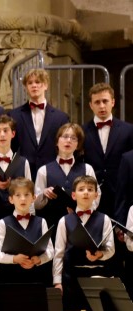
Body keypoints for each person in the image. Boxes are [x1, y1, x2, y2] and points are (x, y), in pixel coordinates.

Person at [52, 175, 114, 311]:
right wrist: (57, 280)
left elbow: (111, 249)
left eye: (90, 189)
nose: (86, 192)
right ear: (73, 195)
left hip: (95, 276)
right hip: (72, 278)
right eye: (81, 189)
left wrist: (100, 255)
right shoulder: (65, 220)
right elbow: (59, 253)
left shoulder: (104, 219)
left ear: (96, 194)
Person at [81, 83, 133, 218]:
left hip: (120, 195)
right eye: (97, 102)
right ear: (91, 105)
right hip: (92, 196)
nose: (102, 106)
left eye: (105, 101)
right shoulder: (82, 131)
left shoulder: (128, 130)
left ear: (113, 102)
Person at [34, 123, 97, 229]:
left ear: (78, 145)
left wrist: (84, 211)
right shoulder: (43, 170)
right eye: (65, 136)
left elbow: (96, 196)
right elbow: (35, 205)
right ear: (57, 142)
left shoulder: (87, 169)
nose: (68, 140)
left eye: (73, 138)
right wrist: (44, 194)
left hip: (81, 225)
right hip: (52, 226)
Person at [0, 178, 52, 285]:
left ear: (34, 197)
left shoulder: (41, 222)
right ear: (11, 199)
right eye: (18, 195)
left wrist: (38, 259)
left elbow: (51, 251)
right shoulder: (2, 223)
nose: (23, 199)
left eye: (27, 195)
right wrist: (14, 259)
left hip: (37, 278)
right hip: (10, 279)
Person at [10, 68, 69, 170]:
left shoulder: (61, 117)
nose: (34, 85)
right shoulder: (14, 115)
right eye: (30, 83)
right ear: (25, 87)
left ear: (46, 85)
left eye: (38, 82)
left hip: (52, 171)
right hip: (22, 172)